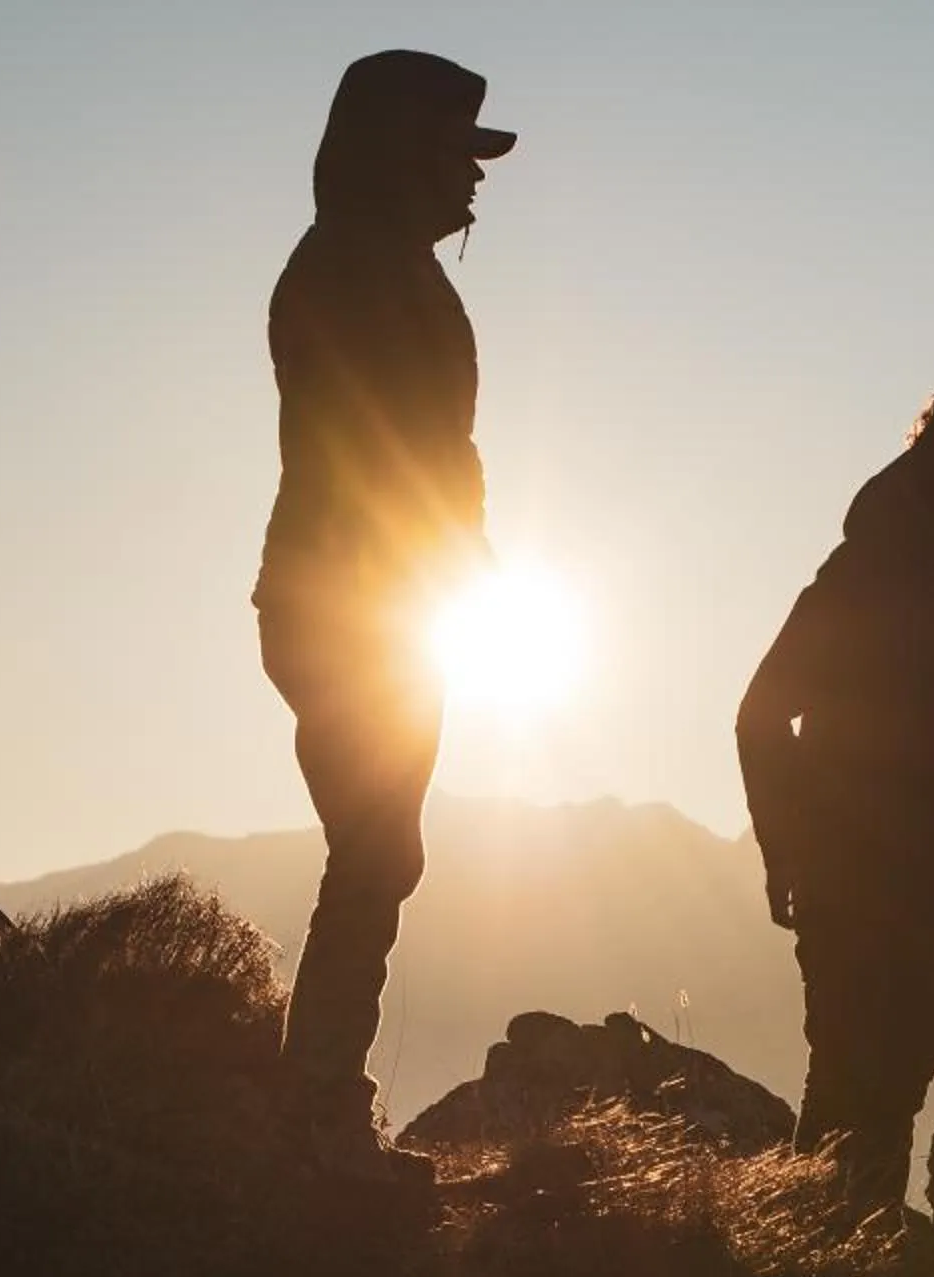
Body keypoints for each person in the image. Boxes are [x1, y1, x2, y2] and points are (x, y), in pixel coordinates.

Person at [254, 51, 513, 1176]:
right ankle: (312, 1113)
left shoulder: (369, 268)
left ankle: (316, 1097)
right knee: (376, 848)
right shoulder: (357, 275)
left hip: (371, 600)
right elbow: (392, 449)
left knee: (377, 849)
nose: (475, 181)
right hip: (361, 605)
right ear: (403, 153)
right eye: (458, 154)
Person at [736, 378, 934, 1217]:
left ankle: (857, 1256)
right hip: (850, 874)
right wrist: (788, 850)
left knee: (906, 1060)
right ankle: (814, 1261)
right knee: (850, 1066)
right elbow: (760, 713)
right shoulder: (864, 576)